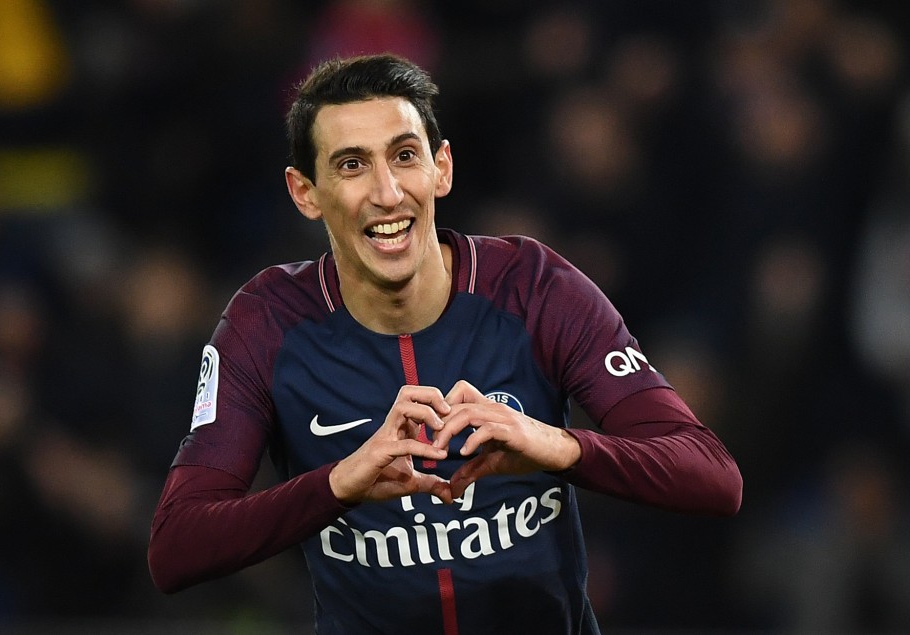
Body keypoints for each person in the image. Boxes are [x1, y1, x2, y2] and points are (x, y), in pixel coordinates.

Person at [148, 53, 742, 634]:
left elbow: (712, 476)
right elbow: (176, 548)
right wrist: (338, 485)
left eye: (404, 156)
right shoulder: (267, 323)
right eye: (352, 165)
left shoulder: (535, 289)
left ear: (442, 167)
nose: (387, 192)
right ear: (305, 192)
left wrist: (556, 446)